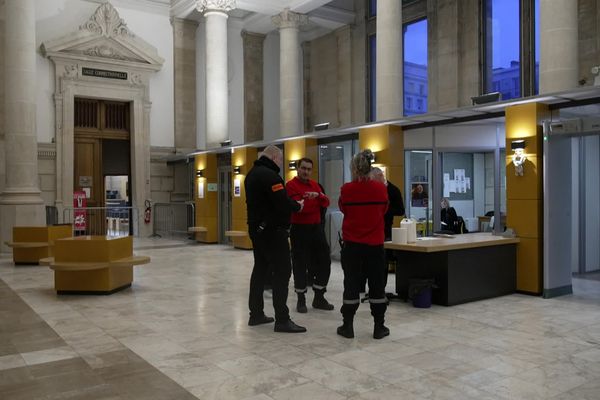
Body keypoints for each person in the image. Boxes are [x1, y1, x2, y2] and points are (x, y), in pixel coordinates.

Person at [245, 145, 306, 333]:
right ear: (273, 157)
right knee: (282, 272)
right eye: (280, 159)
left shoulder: (251, 174)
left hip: (257, 230)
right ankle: (282, 319)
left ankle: (255, 314)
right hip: (273, 232)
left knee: (260, 270)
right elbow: (281, 202)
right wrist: (298, 206)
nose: (281, 163)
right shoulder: (270, 176)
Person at [337, 149, 390, 339]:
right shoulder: (381, 189)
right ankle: (379, 326)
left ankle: (348, 326)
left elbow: (343, 208)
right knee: (377, 285)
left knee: (351, 284)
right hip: (375, 245)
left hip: (352, 245)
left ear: (354, 169)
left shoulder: (346, 189)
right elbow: (384, 210)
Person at [286, 158, 334, 313]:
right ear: (298, 169)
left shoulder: (315, 185)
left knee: (324, 260)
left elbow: (326, 202)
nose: (306, 171)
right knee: (300, 263)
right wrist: (312, 200)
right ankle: (301, 299)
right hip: (299, 229)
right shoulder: (290, 185)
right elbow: (298, 208)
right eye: (303, 168)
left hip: (316, 228)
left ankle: (319, 296)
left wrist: (318, 197)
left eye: (309, 169)